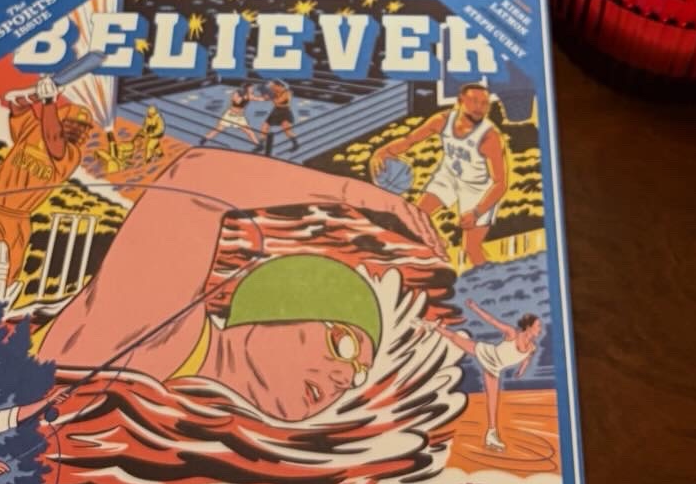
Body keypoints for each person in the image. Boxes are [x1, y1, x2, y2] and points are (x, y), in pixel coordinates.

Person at [36, 147, 443, 420]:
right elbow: (195, 178)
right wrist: (357, 194)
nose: (344, 379)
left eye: (358, 375)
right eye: (345, 345)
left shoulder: (214, 423)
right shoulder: (158, 325)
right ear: (275, 311)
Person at [0, 76, 97, 306]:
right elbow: (17, 107)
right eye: (73, 124)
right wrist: (35, 95)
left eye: (82, 128)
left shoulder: (70, 155)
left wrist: (49, 102)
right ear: (61, 119)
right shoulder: (33, 129)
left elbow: (54, 139)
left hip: (19, 221)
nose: (77, 131)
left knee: (5, 284)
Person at [371, 83, 508, 268]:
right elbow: (410, 140)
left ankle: (491, 278)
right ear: (459, 101)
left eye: (484, 103)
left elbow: (500, 183)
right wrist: (383, 151)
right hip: (449, 176)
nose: (479, 107)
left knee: (471, 248)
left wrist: (477, 212)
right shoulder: (442, 120)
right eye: (474, 101)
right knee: (417, 217)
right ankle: (437, 244)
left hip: (479, 188)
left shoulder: (489, 137)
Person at [432, 303, 541, 452]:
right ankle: (434, 326)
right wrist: (474, 307)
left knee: (493, 400)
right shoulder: (512, 333)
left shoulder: (532, 347)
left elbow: (527, 358)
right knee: (455, 338)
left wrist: (521, 371)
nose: (540, 329)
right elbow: (491, 320)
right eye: (537, 326)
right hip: (486, 352)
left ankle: (491, 436)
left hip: (494, 368)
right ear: (528, 327)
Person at [202, 82, 263, 150]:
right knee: (219, 129)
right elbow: (236, 101)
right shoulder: (237, 93)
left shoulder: (250, 95)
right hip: (230, 115)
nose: (252, 89)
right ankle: (205, 139)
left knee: (249, 131)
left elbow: (259, 99)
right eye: (251, 88)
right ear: (247, 88)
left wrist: (265, 96)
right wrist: (243, 97)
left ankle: (258, 145)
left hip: (239, 117)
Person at [260, 79, 299, 156]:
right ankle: (260, 145)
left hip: (285, 112)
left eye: (274, 86)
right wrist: (265, 93)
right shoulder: (274, 90)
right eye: (272, 87)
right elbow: (267, 98)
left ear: (279, 86)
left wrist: (270, 96)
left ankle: (296, 144)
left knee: (287, 130)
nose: (272, 88)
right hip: (276, 111)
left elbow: (278, 101)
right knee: (265, 126)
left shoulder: (287, 93)